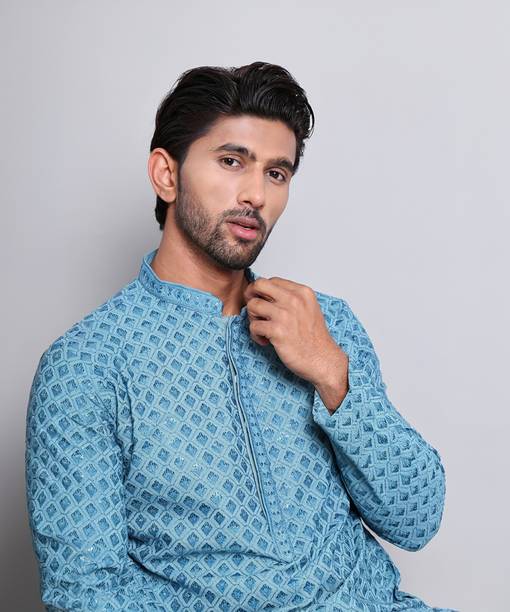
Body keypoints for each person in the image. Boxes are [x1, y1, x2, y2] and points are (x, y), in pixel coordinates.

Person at [25, 61, 457, 611]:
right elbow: (86, 593)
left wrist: (332, 373)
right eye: (232, 161)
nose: (256, 194)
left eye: (277, 173)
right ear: (166, 174)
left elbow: (417, 519)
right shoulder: (87, 365)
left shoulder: (321, 323)